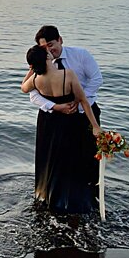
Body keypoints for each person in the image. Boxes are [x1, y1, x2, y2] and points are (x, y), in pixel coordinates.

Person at [21, 43, 101, 214]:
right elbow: (84, 101)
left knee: (53, 161)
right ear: (48, 58)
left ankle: (51, 198)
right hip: (69, 123)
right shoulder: (68, 75)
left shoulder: (36, 79)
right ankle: (71, 201)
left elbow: (23, 87)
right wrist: (95, 126)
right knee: (70, 162)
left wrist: (32, 69)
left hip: (50, 124)